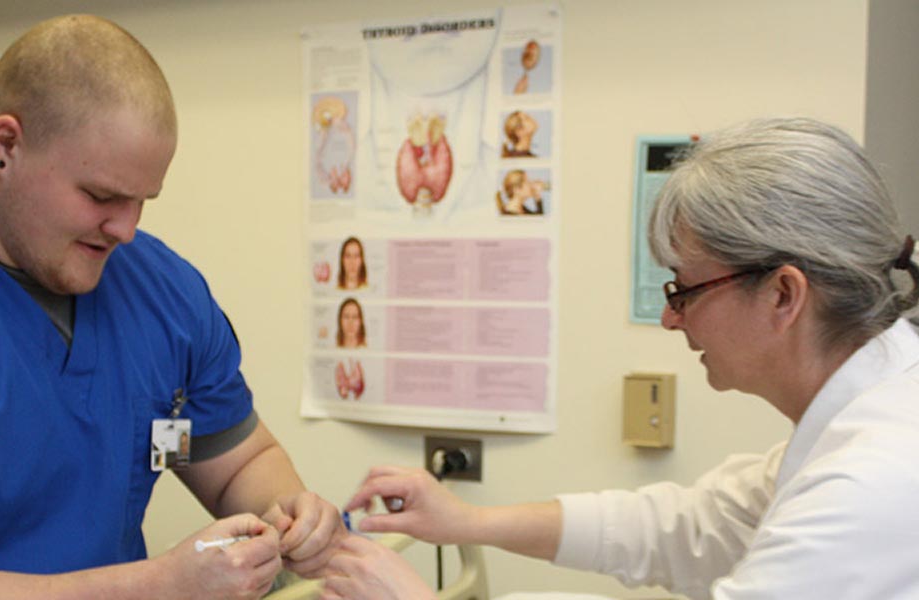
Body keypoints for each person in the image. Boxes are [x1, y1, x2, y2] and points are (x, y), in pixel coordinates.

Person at [320, 117, 919, 600]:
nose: (670, 316)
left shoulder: (871, 479)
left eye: (685, 288)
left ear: (784, 294)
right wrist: (467, 522)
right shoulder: (861, 416)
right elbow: (685, 528)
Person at [0, 15, 346, 599]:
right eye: (101, 196)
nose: (125, 230)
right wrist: (155, 585)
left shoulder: (162, 295)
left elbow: (234, 462)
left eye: (143, 200)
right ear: (6, 146)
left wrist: (295, 518)